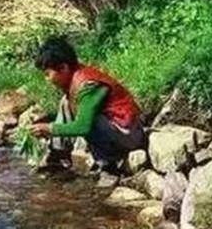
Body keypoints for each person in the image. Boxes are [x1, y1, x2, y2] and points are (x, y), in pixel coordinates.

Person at [30, 36, 146, 187]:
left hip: (129, 134)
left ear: (64, 68)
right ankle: (58, 156)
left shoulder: (89, 85)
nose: (47, 79)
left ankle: (108, 166)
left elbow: (82, 126)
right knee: (65, 102)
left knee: (91, 122)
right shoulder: (75, 78)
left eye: (47, 74)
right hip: (115, 128)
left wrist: (50, 128)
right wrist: (49, 120)